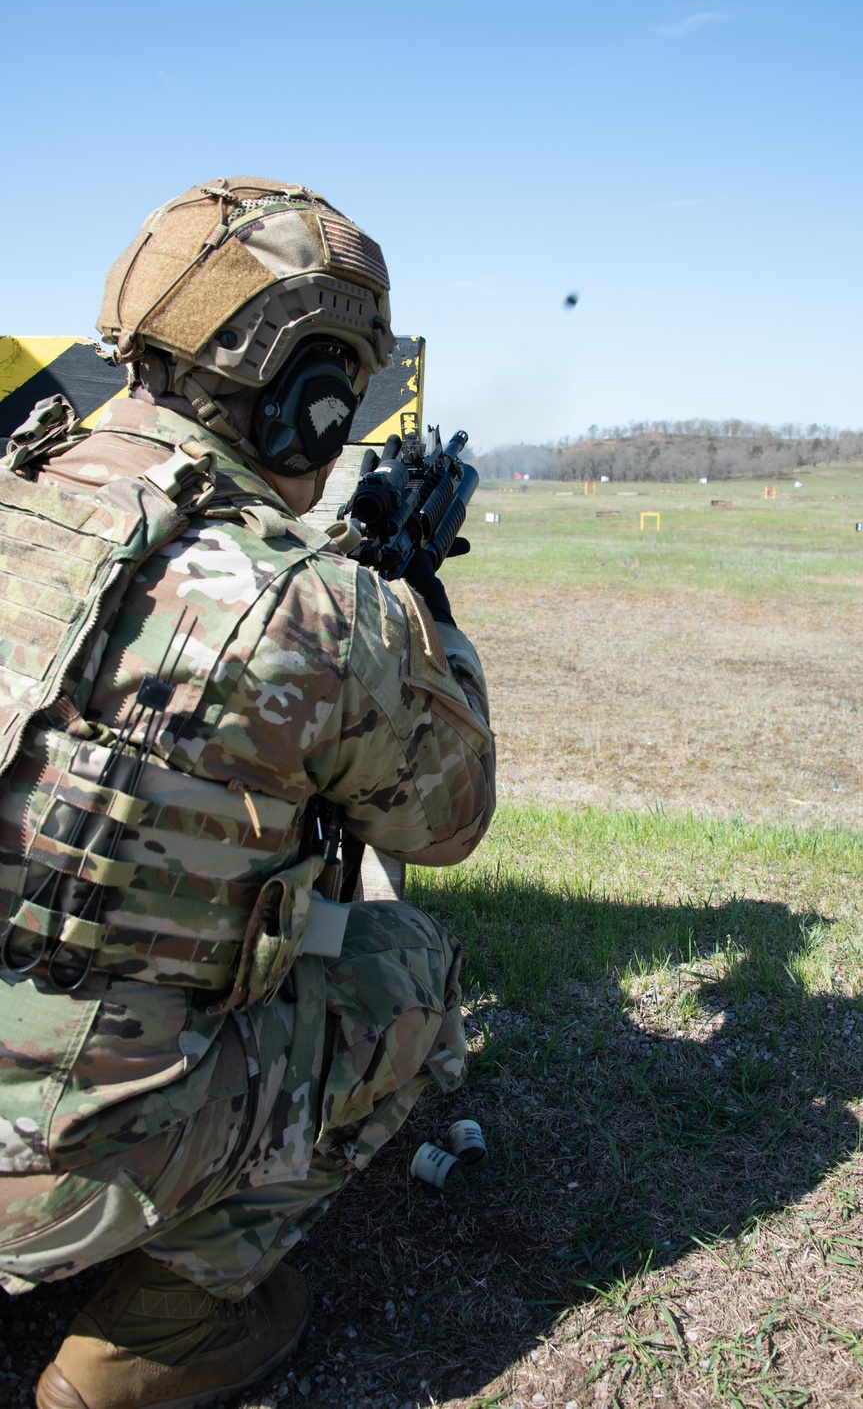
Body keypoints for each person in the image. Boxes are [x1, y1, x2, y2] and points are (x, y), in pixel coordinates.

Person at [0, 177, 495, 1409]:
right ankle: (153, 1341)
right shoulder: (319, 608)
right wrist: (422, 615)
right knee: (409, 970)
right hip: (39, 1172)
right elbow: (452, 818)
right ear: (307, 394)